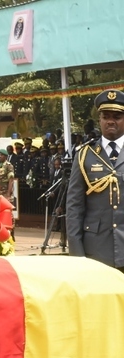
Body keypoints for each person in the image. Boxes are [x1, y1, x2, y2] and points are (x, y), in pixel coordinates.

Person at [67, 89, 124, 270]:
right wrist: (77, 254)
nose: (110, 121)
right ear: (99, 120)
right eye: (105, 116)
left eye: (117, 116)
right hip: (96, 250)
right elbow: (74, 207)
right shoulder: (85, 155)